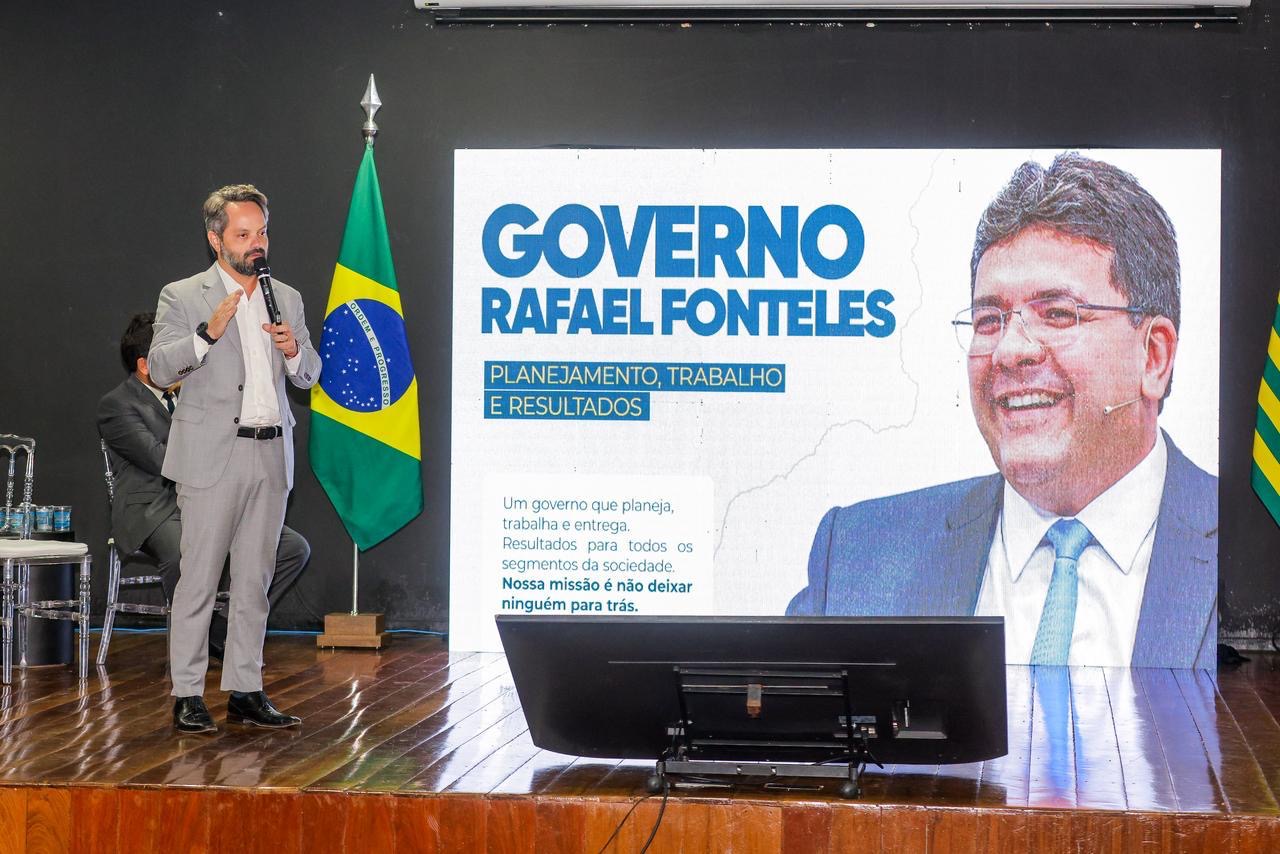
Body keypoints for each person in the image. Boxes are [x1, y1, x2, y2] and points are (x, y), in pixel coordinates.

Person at [787, 153, 1218, 669]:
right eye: (989, 320)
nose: (1010, 350)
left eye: (1058, 313)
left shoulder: (1249, 550)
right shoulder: (858, 557)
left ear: (1153, 357)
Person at [147, 184, 321, 733]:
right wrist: (206, 334)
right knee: (198, 580)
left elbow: (310, 376)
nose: (256, 244)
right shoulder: (183, 295)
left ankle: (245, 689)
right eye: (243, 235)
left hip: (271, 454)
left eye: (261, 232)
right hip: (211, 457)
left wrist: (294, 351)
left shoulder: (285, 296)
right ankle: (187, 693)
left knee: (254, 582)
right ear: (215, 239)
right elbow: (160, 367)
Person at [97, 312, 311, 665]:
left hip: (211, 496)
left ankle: (222, 631)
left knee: (292, 548)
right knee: (184, 550)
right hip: (154, 509)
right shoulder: (117, 405)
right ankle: (194, 646)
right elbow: (162, 461)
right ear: (146, 365)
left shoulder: (198, 391)